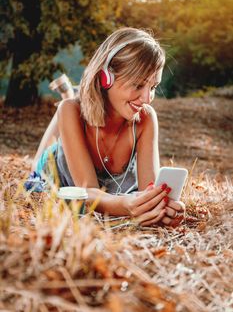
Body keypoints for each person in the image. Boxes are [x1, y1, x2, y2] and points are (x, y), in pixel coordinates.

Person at [29, 27, 185, 227]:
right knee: (66, 110)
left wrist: (162, 208)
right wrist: (125, 206)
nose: (147, 99)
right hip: (52, 173)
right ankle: (69, 95)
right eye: (138, 85)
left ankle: (72, 93)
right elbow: (87, 193)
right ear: (106, 78)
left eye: (153, 87)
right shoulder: (71, 112)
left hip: (105, 189)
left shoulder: (145, 119)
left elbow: (150, 191)